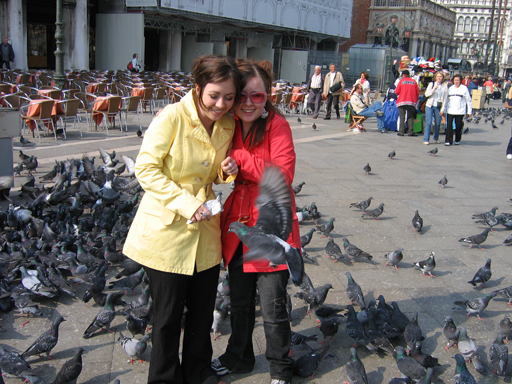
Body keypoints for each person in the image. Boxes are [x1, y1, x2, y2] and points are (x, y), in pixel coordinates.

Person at [122, 55, 241, 384]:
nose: (221, 104)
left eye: (229, 97)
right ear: (199, 87)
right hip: (168, 229)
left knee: (203, 311)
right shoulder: (173, 117)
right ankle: (163, 378)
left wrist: (224, 171)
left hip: (205, 230)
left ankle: (198, 371)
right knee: (167, 316)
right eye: (215, 95)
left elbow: (211, 172)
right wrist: (188, 205)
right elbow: (146, 168)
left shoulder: (227, 124)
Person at [211, 59, 300, 384]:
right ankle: (239, 357)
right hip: (239, 220)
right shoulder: (230, 123)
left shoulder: (277, 125)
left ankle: (280, 368)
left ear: (268, 96)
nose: (248, 103)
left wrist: (242, 160)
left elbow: (283, 175)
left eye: (257, 96)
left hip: (270, 222)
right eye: (243, 96)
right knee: (240, 302)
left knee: (273, 307)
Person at [440, 74, 472, 146]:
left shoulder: (464, 88)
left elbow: (468, 100)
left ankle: (457, 139)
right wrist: (443, 110)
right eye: (455, 80)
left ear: (460, 81)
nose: (456, 82)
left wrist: (469, 111)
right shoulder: (450, 89)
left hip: (460, 111)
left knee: (458, 126)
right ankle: (448, 140)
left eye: (458, 80)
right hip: (450, 110)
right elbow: (446, 100)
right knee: (449, 126)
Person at [423, 71, 447, 145]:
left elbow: (445, 98)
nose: (439, 78)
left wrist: (443, 109)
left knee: (438, 123)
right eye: (438, 76)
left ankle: (436, 137)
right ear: (435, 77)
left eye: (441, 76)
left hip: (438, 106)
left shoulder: (444, 86)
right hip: (430, 105)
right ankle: (426, 139)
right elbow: (427, 94)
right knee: (429, 122)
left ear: (443, 78)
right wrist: (434, 89)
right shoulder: (432, 84)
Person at [395, 70, 419, 137]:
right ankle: (410, 131)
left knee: (402, 117)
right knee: (410, 117)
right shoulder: (414, 82)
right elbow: (417, 93)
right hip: (411, 102)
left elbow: (397, 92)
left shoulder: (401, 81)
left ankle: (401, 132)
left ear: (403, 75)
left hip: (402, 101)